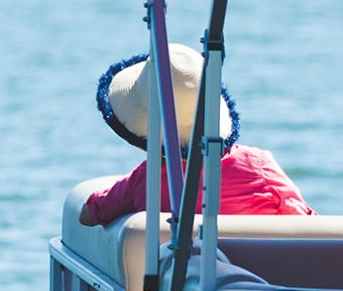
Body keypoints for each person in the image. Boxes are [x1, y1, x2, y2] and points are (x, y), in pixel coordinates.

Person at [81, 43, 311, 226]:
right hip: (260, 280)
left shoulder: (146, 181)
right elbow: (303, 219)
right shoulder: (258, 166)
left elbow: (89, 214)